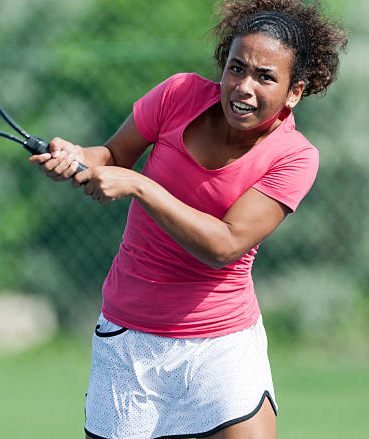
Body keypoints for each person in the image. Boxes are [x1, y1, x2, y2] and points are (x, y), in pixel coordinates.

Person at [30, 0, 348, 437]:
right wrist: (76, 157)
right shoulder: (178, 94)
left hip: (223, 345)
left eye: (265, 77)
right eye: (236, 68)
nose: (243, 87)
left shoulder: (295, 157)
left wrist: (140, 185)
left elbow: (224, 244)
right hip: (131, 341)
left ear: (295, 91)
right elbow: (111, 156)